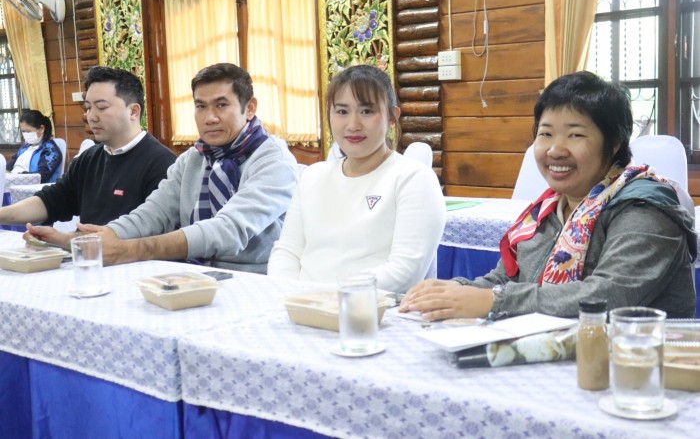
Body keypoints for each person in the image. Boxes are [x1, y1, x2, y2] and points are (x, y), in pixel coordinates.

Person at [400, 71, 696, 319]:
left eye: (575, 134)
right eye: (546, 134)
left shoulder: (645, 207)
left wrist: (494, 301)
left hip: (637, 360)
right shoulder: (546, 209)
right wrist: (452, 291)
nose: (555, 149)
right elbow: (505, 280)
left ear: (615, 143)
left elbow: (608, 296)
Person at [32, 63, 298, 274]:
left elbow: (228, 229)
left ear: (249, 108)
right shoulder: (193, 158)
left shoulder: (272, 160)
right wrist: (87, 240)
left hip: (249, 280)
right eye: (200, 106)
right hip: (192, 275)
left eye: (221, 105)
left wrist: (129, 250)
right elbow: (152, 214)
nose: (209, 118)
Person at [267, 65, 445, 293]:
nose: (353, 125)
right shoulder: (312, 176)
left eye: (367, 111)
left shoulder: (413, 179)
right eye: (342, 112)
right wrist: (288, 293)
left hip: (374, 309)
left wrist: (328, 296)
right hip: (302, 303)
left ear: (392, 117)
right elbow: (287, 252)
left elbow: (404, 272)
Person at [0, 66, 176, 228]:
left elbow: (154, 233)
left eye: (101, 107)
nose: (91, 117)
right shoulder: (89, 159)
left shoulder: (162, 164)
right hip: (85, 250)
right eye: (88, 108)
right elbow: (51, 200)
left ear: (133, 111)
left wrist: (68, 240)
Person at [7, 110, 63, 183]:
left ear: (41, 129)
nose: (25, 134)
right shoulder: (25, 148)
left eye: (28, 131)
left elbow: (41, 176)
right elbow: (8, 168)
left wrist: (18, 176)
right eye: (23, 131)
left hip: (32, 186)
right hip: (12, 182)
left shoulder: (50, 151)